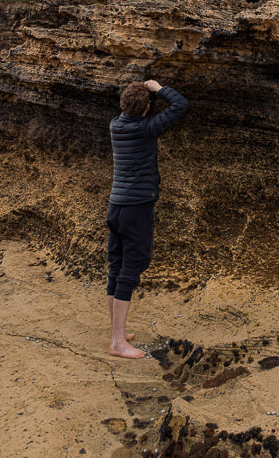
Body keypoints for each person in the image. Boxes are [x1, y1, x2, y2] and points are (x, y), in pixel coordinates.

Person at [107, 78, 189, 358]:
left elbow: (132, 110)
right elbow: (180, 104)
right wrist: (158, 87)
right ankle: (118, 343)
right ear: (146, 109)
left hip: (116, 206)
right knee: (130, 270)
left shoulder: (116, 125)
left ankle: (117, 330)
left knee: (116, 267)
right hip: (136, 208)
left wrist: (142, 95)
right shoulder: (146, 128)